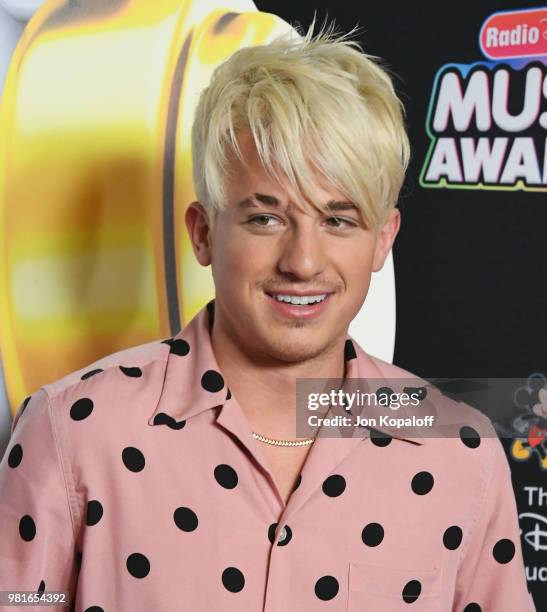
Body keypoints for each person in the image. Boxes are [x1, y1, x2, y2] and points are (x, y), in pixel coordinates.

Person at [0, 22, 536, 612]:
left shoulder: (460, 452)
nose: (303, 262)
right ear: (204, 233)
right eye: (266, 218)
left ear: (383, 241)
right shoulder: (72, 430)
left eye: (337, 220)